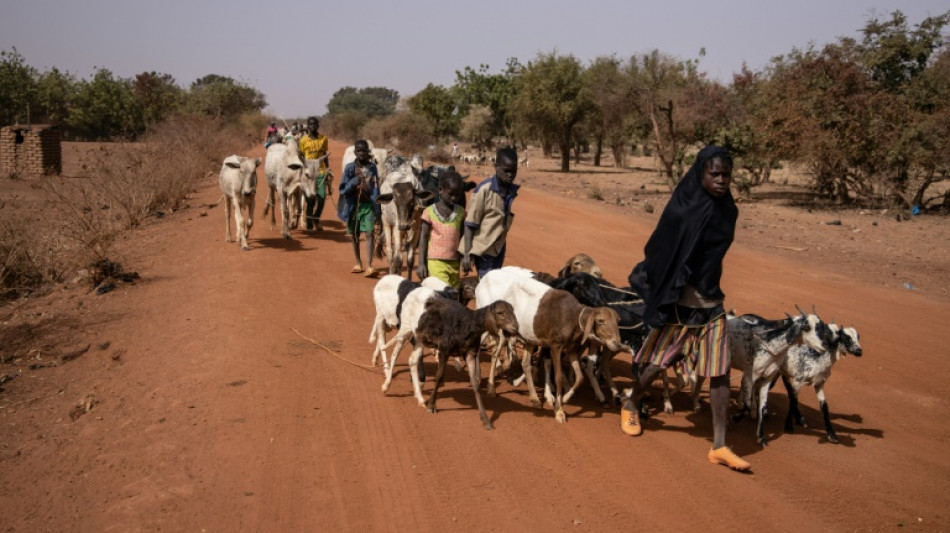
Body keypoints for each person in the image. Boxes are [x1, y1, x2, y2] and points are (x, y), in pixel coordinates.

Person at [620, 145, 750, 472]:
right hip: (679, 302)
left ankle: (719, 445)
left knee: (719, 371)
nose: (721, 180)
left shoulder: (727, 210)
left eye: (726, 175)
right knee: (657, 363)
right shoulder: (683, 207)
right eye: (714, 174)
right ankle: (632, 400)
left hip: (710, 302)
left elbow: (713, 255)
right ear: (700, 173)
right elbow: (660, 248)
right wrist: (669, 283)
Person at [460, 146, 519, 279]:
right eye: (506, 171)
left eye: (514, 171)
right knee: (487, 283)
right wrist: (467, 254)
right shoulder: (484, 190)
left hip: (499, 246)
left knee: (496, 282)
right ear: (496, 166)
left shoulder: (510, 190)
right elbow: (470, 224)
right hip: (483, 248)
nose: (510, 175)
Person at [337, 140, 380, 277]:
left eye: (364, 150)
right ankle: (358, 263)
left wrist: (377, 210)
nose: (362, 153)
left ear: (368, 152)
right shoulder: (350, 168)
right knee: (355, 235)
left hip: (368, 205)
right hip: (353, 205)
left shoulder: (373, 168)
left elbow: (375, 187)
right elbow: (342, 190)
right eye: (359, 150)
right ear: (355, 152)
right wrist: (352, 183)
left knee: (369, 233)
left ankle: (369, 265)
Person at [417, 171, 466, 287]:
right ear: (440, 190)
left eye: (458, 195)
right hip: (435, 261)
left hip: (454, 262)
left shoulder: (461, 213)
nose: (454, 198)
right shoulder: (429, 212)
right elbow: (423, 238)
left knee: (453, 294)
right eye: (451, 194)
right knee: (442, 293)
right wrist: (421, 263)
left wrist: (464, 257)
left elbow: (463, 236)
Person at [298, 117, 332, 231]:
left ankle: (316, 218)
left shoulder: (323, 139)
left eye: (315, 124)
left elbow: (325, 154)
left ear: (318, 126)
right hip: (308, 173)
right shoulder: (303, 140)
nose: (313, 126)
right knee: (310, 199)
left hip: (320, 172)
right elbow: (301, 156)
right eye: (310, 124)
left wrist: (328, 168)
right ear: (307, 126)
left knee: (321, 198)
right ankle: (309, 223)